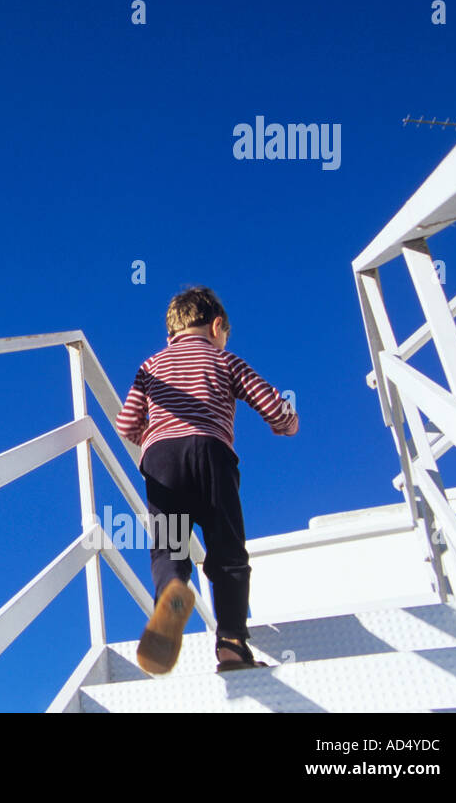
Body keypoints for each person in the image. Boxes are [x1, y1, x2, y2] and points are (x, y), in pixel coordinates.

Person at [114, 286, 298, 674]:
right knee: (226, 548)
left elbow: (126, 423)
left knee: (170, 547)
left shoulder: (150, 365)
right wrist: (288, 421)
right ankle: (231, 643)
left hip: (162, 461)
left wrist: (152, 436)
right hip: (212, 454)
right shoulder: (225, 359)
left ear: (170, 336)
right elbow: (271, 406)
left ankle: (171, 596)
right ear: (218, 326)